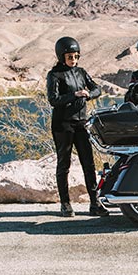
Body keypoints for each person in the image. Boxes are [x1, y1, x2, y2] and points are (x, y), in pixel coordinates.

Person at [46, 36, 108, 217]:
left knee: (88, 163)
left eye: (76, 56)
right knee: (63, 164)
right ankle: (65, 204)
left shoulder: (81, 72)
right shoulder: (54, 75)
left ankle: (95, 203)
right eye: (70, 57)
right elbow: (53, 99)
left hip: (81, 123)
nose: (73, 60)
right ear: (61, 56)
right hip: (63, 124)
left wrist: (89, 94)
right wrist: (74, 95)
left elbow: (97, 88)